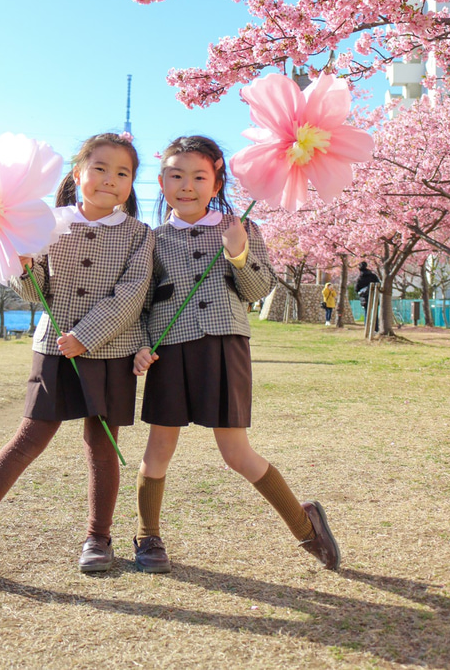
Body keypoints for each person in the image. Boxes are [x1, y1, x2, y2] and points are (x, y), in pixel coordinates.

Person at [0, 133, 154, 575]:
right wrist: (25, 267)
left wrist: (87, 335)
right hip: (53, 348)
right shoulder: (45, 222)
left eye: (123, 173)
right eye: (99, 168)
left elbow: (132, 295)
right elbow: (34, 288)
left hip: (110, 351)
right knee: (30, 438)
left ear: (132, 184)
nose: (110, 180)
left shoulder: (140, 235)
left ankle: (98, 538)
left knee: (102, 443)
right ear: (77, 174)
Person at [132, 135, 341, 575]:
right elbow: (141, 301)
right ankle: (148, 536)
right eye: (176, 176)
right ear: (161, 181)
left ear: (216, 181)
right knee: (159, 446)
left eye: (198, 177)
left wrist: (238, 251)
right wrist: (140, 343)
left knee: (235, 452)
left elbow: (258, 289)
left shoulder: (241, 227)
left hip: (225, 346)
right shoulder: (150, 240)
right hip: (169, 351)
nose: (186, 185)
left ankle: (306, 527)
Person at [356, 261, 380, 330]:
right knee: (375, 313)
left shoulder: (360, 278)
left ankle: (367, 329)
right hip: (374, 297)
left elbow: (356, 289)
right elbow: (378, 284)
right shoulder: (373, 276)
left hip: (365, 299)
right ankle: (376, 329)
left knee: (367, 313)